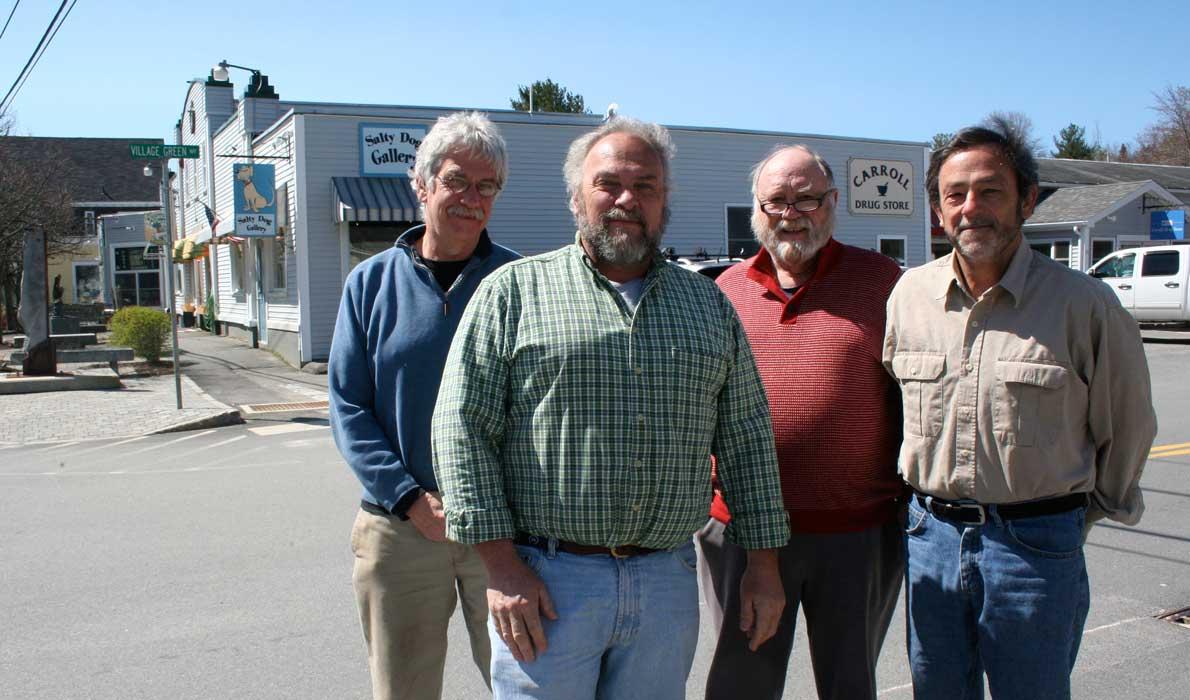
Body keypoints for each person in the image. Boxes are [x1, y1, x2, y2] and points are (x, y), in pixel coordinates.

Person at [432, 116, 790, 700]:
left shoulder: (708, 307)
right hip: (546, 583)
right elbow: (461, 430)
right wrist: (500, 567)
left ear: (665, 201)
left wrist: (765, 567)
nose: (627, 199)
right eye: (609, 184)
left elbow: (747, 439)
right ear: (576, 197)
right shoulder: (513, 293)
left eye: (646, 186)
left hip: (666, 582)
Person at [883, 120, 1157, 699]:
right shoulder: (909, 297)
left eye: (990, 191)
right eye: (954, 195)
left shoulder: (1084, 305)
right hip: (927, 539)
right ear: (937, 210)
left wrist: (1072, 518)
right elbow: (893, 408)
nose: (970, 207)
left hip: (1034, 550)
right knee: (936, 691)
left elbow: (1127, 427)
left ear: (1027, 200)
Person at [697, 145, 905, 700]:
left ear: (833, 202)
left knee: (849, 683)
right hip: (740, 531)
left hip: (856, 532)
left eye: (807, 198)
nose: (791, 212)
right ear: (755, 211)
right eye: (777, 201)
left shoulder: (883, 282)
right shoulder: (725, 292)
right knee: (742, 684)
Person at [328, 111, 519, 700]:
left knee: (527, 684)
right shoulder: (370, 283)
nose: (471, 198)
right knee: (403, 690)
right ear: (423, 184)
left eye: (486, 187)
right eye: (458, 180)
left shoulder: (518, 282)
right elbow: (348, 405)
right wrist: (409, 498)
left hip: (506, 532)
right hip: (401, 531)